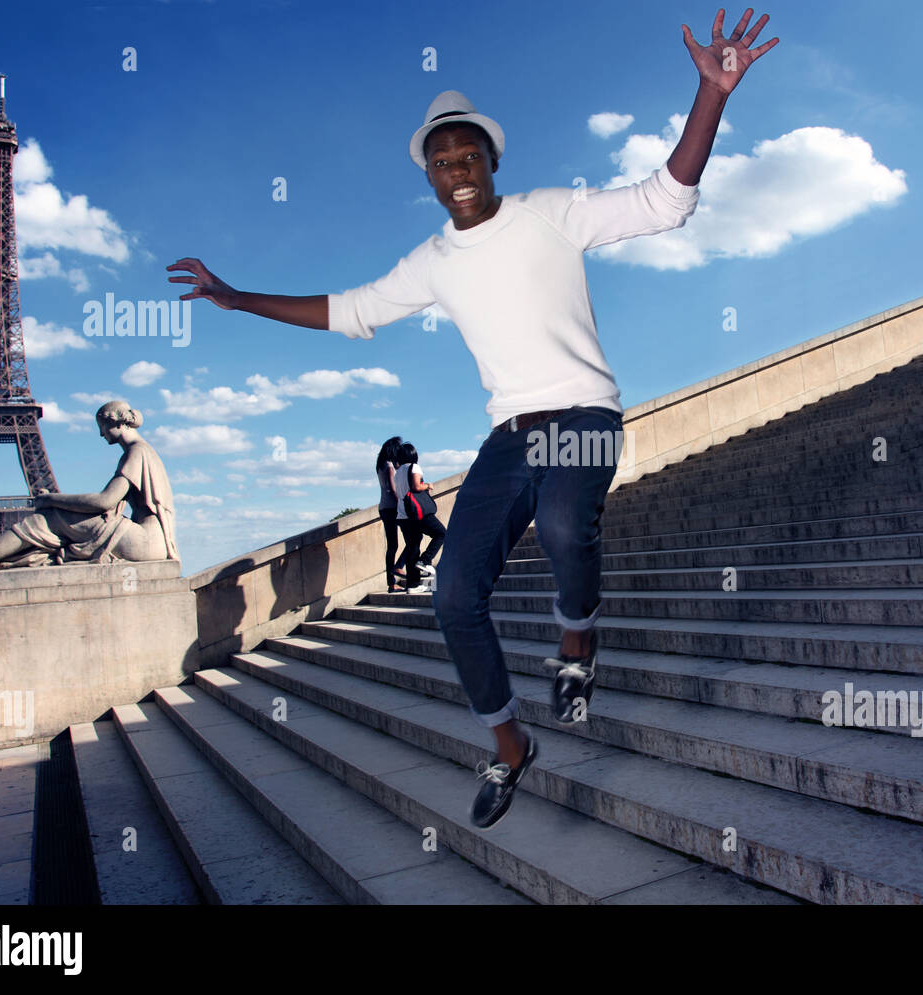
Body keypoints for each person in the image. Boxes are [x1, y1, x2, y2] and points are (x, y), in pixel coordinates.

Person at [167, 8, 778, 829]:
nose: (457, 172)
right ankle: (511, 743)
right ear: (428, 176)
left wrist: (710, 95)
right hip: (509, 435)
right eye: (442, 163)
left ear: (493, 160)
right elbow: (347, 309)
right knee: (452, 592)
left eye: (469, 157)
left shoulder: (549, 213)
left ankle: (576, 644)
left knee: (565, 523)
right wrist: (237, 297)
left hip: (585, 414)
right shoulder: (431, 262)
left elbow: (664, 200)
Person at [0, 401, 178, 572]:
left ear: (112, 422)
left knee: (49, 518)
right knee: (57, 524)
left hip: (146, 542)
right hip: (144, 540)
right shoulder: (140, 451)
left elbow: (104, 501)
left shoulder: (136, 453)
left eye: (101, 427)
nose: (100, 434)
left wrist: (53, 499)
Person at [393, 441, 445, 592]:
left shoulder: (398, 473)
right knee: (441, 533)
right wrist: (428, 485)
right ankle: (425, 560)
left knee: (412, 547)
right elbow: (416, 487)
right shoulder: (414, 467)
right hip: (417, 512)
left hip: (403, 515)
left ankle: (413, 584)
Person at [376, 436, 406, 592]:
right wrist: (403, 504)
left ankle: (391, 582)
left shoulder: (380, 466)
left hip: (384, 507)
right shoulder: (389, 466)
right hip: (393, 508)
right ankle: (398, 567)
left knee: (392, 546)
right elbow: (393, 489)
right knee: (413, 538)